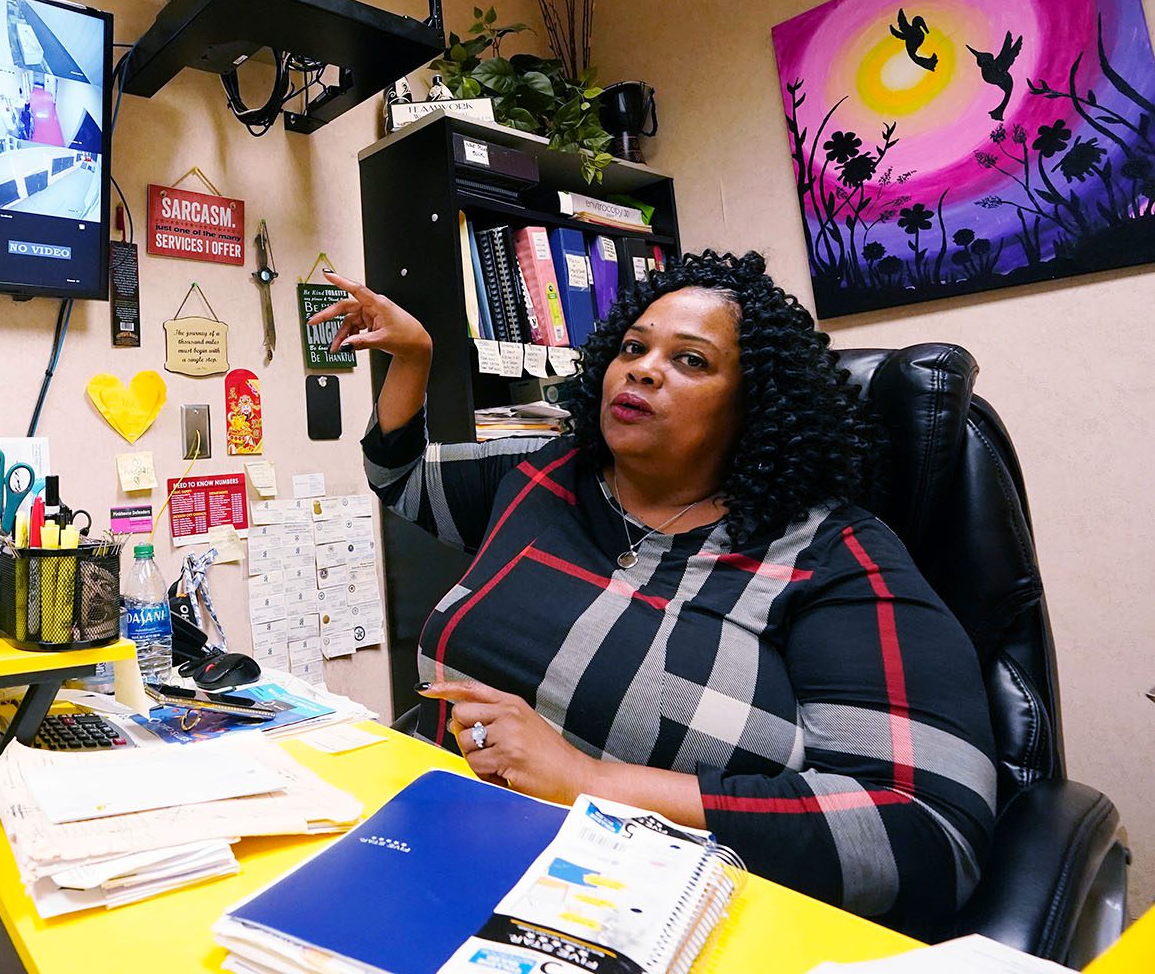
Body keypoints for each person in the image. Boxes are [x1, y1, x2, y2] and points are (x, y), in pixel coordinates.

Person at [312, 250, 996, 937]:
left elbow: (929, 831)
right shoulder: (547, 474)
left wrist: (591, 783)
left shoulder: (833, 557)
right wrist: (414, 358)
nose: (642, 367)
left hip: (654, 914)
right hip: (442, 852)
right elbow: (399, 476)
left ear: (754, 404)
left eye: (691, 361)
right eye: (634, 347)